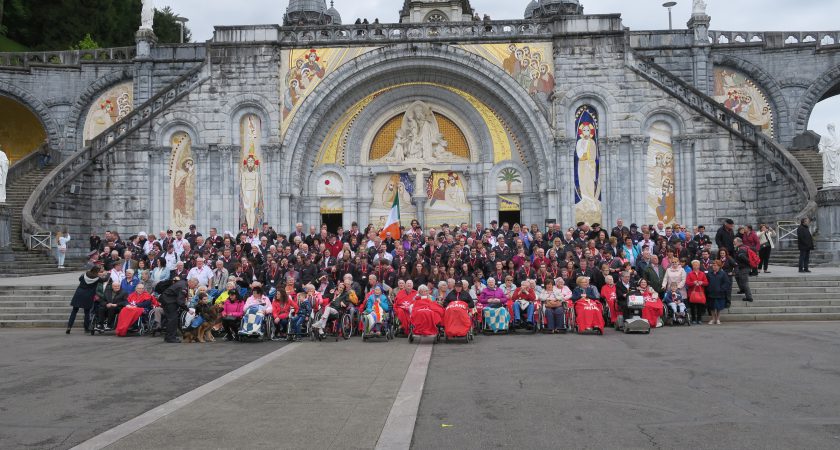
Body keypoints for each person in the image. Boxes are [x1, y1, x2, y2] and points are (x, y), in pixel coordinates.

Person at [66, 268, 105, 334]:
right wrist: (107, 274)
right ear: (97, 272)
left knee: (74, 311)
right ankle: (86, 328)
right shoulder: (97, 279)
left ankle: (69, 327)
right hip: (88, 296)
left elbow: (79, 279)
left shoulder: (84, 275)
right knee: (86, 312)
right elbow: (105, 279)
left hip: (79, 294)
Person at [159, 278, 194, 343]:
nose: (194, 287)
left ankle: (168, 337)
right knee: (173, 320)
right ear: (191, 283)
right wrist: (187, 309)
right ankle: (171, 338)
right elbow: (180, 301)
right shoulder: (183, 287)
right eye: (195, 285)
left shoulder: (183, 282)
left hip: (166, 300)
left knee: (170, 319)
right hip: (169, 302)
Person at [706, 260, 732, 325]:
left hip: (720, 293)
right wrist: (708, 288)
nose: (714, 267)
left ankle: (717, 319)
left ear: (719, 266)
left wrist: (721, 289)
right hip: (711, 293)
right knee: (711, 307)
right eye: (713, 265)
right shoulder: (709, 273)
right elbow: (707, 282)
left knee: (718, 307)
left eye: (716, 265)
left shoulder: (723, 273)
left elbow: (727, 283)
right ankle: (713, 319)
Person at [733, 238, 753, 302]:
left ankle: (749, 297)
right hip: (742, 267)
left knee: (745, 282)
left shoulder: (741, 249)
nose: (734, 243)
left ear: (739, 242)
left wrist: (740, 257)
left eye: (734, 242)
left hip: (745, 268)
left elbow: (745, 259)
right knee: (737, 276)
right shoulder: (743, 247)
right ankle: (742, 289)